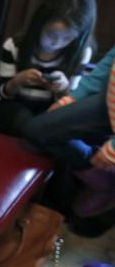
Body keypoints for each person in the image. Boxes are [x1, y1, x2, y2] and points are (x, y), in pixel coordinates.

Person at [0, 0, 96, 136]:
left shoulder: (81, 53)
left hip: (51, 109)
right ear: (39, 25)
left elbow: (72, 103)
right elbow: (3, 94)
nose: (56, 43)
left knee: (56, 125)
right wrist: (18, 81)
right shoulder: (14, 45)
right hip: (15, 104)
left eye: (67, 38)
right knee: (15, 117)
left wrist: (62, 89)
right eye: (51, 35)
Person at [23, 47, 115, 217]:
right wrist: (74, 97)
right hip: (110, 98)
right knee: (37, 130)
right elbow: (111, 59)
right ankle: (102, 180)